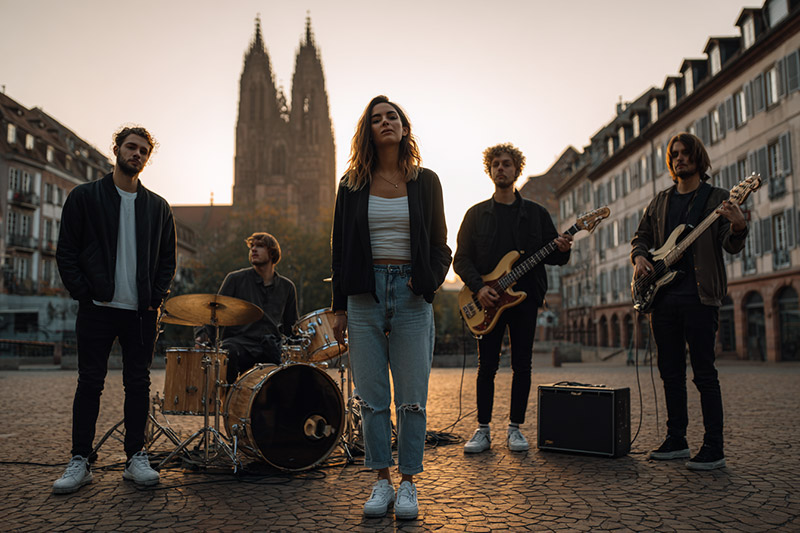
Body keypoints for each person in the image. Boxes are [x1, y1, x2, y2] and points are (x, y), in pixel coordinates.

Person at [331, 95, 451, 520]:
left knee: (413, 397)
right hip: (364, 297)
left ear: (404, 127)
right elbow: (340, 252)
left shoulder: (426, 181)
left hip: (411, 293)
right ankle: (380, 480)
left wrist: (427, 282)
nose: (385, 122)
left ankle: (408, 484)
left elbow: (440, 246)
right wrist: (338, 307)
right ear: (368, 131)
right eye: (377, 118)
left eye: (392, 117)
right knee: (372, 396)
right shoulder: (351, 185)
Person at [54, 126, 176, 494]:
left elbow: (168, 260)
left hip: (140, 310)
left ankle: (135, 457)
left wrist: (154, 297)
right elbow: (67, 251)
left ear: (147, 159)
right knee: (89, 382)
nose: (136, 154)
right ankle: (80, 460)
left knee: (137, 384)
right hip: (98, 307)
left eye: (143, 151)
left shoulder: (157, 207)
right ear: (117, 150)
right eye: (131, 147)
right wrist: (84, 293)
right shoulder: (85, 197)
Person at [632, 132, 747, 471]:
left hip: (700, 297)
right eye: (675, 154)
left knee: (704, 374)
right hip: (662, 297)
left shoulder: (718, 198)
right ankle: (676, 439)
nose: (680, 158)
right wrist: (639, 257)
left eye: (686, 153)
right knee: (670, 373)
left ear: (699, 158)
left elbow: (729, 243)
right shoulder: (660, 201)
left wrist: (739, 226)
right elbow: (642, 237)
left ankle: (714, 446)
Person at [453, 143, 572, 454]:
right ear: (489, 171)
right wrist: (479, 287)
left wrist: (563, 248)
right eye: (495, 164)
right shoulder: (475, 215)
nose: (501, 169)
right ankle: (483, 429)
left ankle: (515, 429)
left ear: (517, 170)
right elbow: (461, 259)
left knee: (522, 364)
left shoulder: (536, 215)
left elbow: (555, 260)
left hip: (525, 298)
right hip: (486, 301)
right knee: (486, 366)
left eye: (507, 164)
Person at [194, 232, 298, 383]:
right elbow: (214, 313)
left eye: (260, 246)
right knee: (228, 351)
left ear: (273, 252)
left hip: (271, 346)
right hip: (239, 343)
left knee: (290, 372)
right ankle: (227, 400)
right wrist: (202, 336)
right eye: (252, 246)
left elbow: (291, 326)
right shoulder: (235, 279)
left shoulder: (287, 287)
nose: (254, 249)